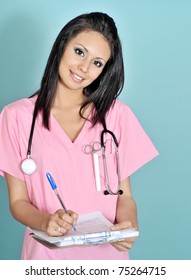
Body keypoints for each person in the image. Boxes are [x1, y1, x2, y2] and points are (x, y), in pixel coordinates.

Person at [0, 12, 158, 260]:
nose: (84, 68)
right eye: (80, 52)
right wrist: (46, 220)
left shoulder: (116, 115)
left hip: (107, 260)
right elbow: (18, 202)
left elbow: (124, 197)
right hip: (46, 259)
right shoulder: (16, 117)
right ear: (63, 45)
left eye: (97, 63)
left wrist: (128, 224)